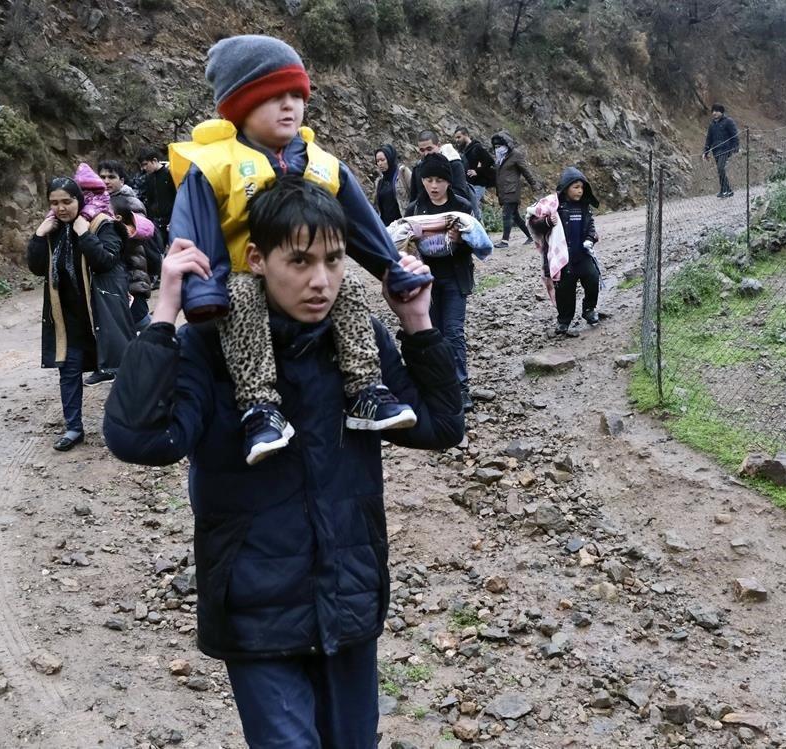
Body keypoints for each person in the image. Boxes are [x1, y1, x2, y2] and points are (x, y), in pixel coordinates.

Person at [103, 178, 465, 749]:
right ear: (257, 259)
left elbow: (441, 427)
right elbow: (140, 439)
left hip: (348, 597)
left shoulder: (360, 344)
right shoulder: (210, 344)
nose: (320, 281)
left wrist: (418, 323)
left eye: (333, 259)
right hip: (256, 606)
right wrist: (163, 317)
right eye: (299, 261)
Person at [167, 35, 432, 465]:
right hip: (244, 275)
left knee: (344, 291)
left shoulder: (323, 164)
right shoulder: (214, 165)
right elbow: (193, 229)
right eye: (272, 97)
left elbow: (362, 224)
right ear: (239, 105)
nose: (289, 106)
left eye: (296, 95)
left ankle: (366, 388)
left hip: (308, 272)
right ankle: (260, 407)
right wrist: (202, 291)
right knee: (242, 299)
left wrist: (391, 266)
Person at [27, 176, 134, 451]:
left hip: (102, 314)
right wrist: (39, 236)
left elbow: (107, 261)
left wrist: (84, 233)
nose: (61, 208)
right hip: (69, 317)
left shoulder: (102, 225)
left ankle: (128, 426)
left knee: (119, 370)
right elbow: (38, 268)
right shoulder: (52, 230)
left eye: (67, 201)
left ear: (80, 200)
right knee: (68, 371)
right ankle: (74, 428)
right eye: (54, 203)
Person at [403, 153, 477, 411]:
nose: (433, 186)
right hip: (425, 282)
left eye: (439, 180)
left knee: (453, 332)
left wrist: (459, 241)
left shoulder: (462, 207)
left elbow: (477, 244)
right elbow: (403, 247)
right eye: (428, 180)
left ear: (448, 181)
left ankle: (461, 388)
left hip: (455, 278)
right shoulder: (413, 210)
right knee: (432, 334)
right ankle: (436, 388)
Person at [529, 167, 602, 336]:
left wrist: (590, 239)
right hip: (563, 259)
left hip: (582, 255)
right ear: (566, 187)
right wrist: (547, 221)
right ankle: (564, 320)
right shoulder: (555, 206)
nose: (580, 191)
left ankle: (589, 310)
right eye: (575, 187)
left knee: (593, 279)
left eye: (582, 187)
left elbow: (591, 227)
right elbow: (534, 222)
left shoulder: (584, 207)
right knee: (564, 291)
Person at [112, 193, 161, 331]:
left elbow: (155, 260)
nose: (106, 181)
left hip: (134, 295)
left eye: (110, 176)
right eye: (103, 177)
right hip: (130, 296)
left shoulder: (128, 234)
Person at [491, 130, 538, 248]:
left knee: (507, 214)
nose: (497, 148)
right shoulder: (500, 158)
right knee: (515, 216)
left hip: (512, 190)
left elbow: (525, 171)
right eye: (495, 146)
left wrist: (533, 184)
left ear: (507, 144)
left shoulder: (516, 155)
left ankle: (504, 241)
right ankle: (531, 236)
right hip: (503, 191)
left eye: (499, 146)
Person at [409, 130, 473, 211]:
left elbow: (461, 193)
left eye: (429, 149)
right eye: (422, 150)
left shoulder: (454, 164)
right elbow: (414, 196)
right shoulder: (418, 168)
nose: (426, 153)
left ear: (438, 145)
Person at [453, 126, 495, 221]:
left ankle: (479, 228)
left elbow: (489, 161)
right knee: (473, 206)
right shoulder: (465, 151)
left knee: (473, 206)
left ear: (466, 135)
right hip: (470, 184)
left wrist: (477, 171)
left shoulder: (477, 147)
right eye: (456, 138)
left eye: (459, 137)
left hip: (478, 184)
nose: (457, 140)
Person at [138, 146, 176, 238]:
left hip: (170, 221)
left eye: (145, 164)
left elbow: (176, 198)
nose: (144, 168)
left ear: (154, 160)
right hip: (155, 222)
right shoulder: (148, 178)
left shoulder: (170, 174)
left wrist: (174, 219)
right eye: (142, 165)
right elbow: (150, 200)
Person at [702, 104, 739, 198]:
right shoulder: (712, 125)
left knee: (721, 168)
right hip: (716, 150)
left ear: (721, 112)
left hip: (726, 149)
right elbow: (709, 139)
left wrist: (735, 147)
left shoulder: (728, 121)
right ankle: (725, 190)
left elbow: (734, 135)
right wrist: (705, 152)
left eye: (716, 111)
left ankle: (726, 190)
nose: (714, 113)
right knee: (720, 170)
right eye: (713, 111)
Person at [373, 144, 411, 226]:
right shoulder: (379, 182)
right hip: (385, 226)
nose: (380, 163)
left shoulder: (403, 173)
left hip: (403, 224)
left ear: (389, 159)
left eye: (382, 160)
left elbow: (415, 194)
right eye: (378, 161)